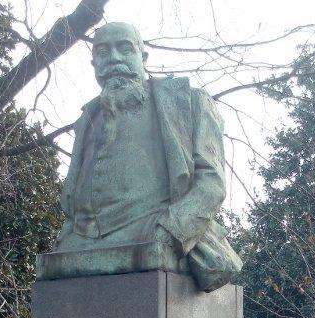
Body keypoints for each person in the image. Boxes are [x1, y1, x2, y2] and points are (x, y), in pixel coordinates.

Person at [53, 21, 242, 292]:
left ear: (143, 58)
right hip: (84, 237)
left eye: (125, 48)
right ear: (93, 63)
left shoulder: (188, 102)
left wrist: (172, 230)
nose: (114, 58)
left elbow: (211, 183)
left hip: (153, 227)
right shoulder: (88, 118)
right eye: (103, 52)